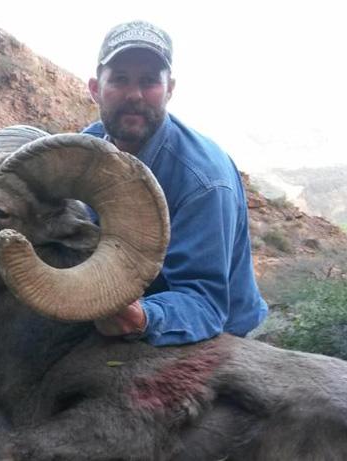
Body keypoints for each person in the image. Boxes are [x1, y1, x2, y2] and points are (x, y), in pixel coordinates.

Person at [83, 20, 268, 345]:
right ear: (96, 88)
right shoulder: (86, 148)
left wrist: (144, 316)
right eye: (121, 79)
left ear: (170, 89)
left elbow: (206, 304)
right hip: (122, 300)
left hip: (217, 334)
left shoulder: (205, 180)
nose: (134, 94)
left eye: (150, 81)